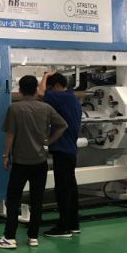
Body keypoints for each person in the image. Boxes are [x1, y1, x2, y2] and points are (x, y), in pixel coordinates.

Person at [0, 75, 68, 249]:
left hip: (21, 162)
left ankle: (10, 237)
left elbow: (10, 134)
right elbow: (63, 125)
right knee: (37, 199)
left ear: (20, 90)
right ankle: (33, 236)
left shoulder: (14, 108)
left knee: (13, 199)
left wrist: (5, 156)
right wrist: (49, 140)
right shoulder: (46, 108)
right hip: (40, 162)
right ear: (36, 90)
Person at [39, 71, 83, 237]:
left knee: (63, 189)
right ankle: (73, 223)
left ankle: (63, 227)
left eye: (51, 87)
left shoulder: (61, 97)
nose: (50, 91)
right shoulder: (72, 97)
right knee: (70, 188)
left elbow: (40, 93)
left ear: (57, 86)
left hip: (62, 149)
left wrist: (45, 75)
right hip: (70, 149)